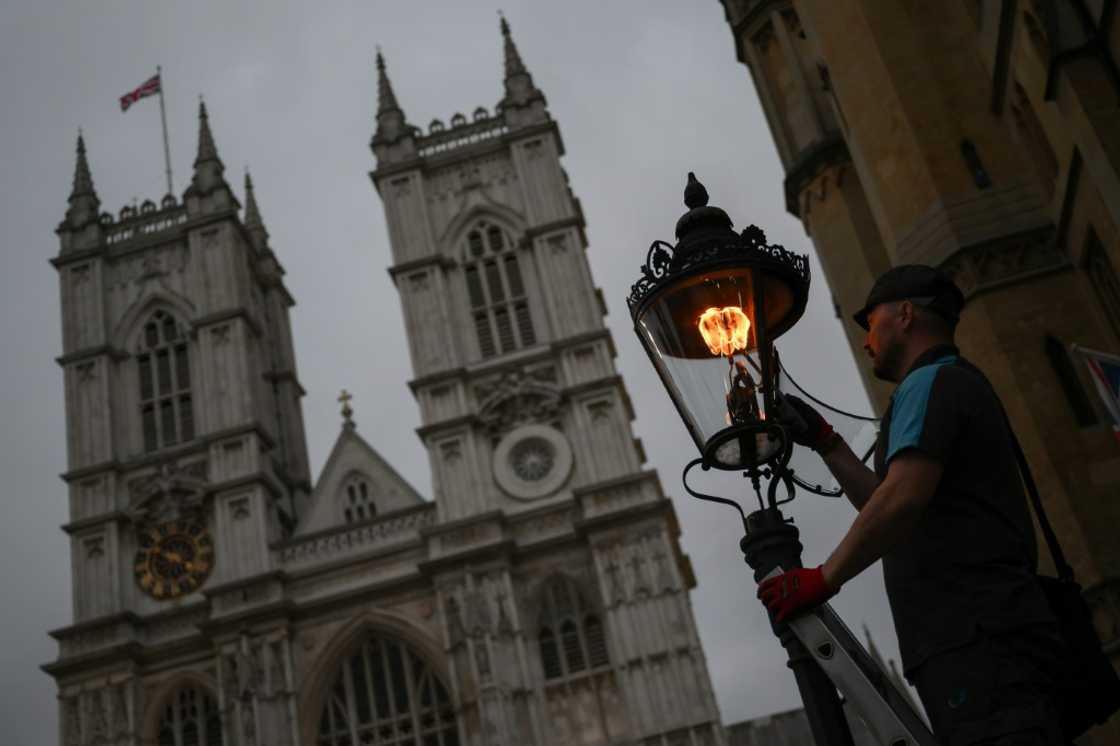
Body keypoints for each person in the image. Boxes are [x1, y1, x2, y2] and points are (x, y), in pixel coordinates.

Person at [759, 264, 1067, 745]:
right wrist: (827, 442)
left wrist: (822, 578)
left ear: (905, 314)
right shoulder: (948, 383)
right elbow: (896, 509)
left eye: (870, 323)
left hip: (977, 640)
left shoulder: (931, 384)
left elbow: (900, 501)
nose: (866, 341)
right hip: (974, 640)